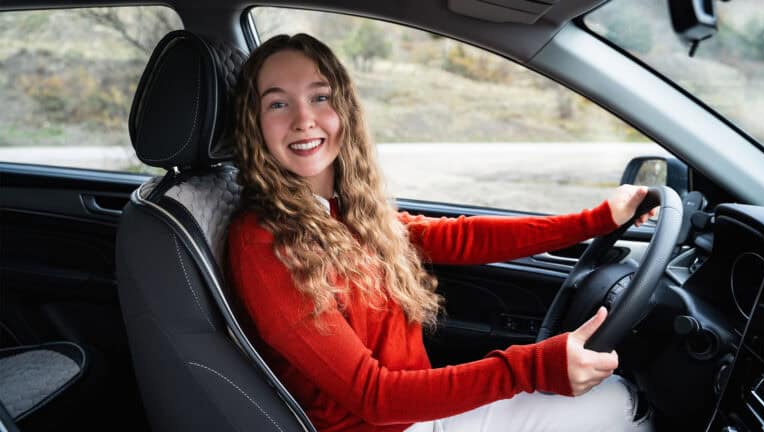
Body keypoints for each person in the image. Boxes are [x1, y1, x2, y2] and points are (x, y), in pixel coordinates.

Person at [228, 33, 654, 432]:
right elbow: (373, 396)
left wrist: (597, 219)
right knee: (622, 405)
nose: (304, 119)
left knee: (616, 395)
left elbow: (465, 238)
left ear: (344, 110)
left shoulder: (346, 212)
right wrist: (535, 367)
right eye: (278, 104)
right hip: (389, 425)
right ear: (254, 124)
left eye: (320, 97)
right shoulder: (265, 243)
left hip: (416, 415)